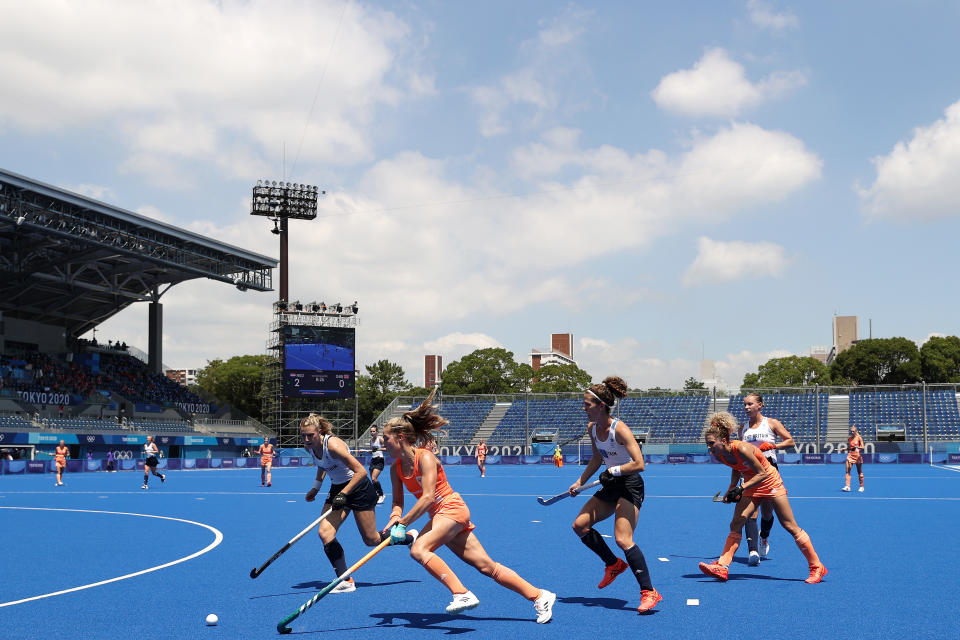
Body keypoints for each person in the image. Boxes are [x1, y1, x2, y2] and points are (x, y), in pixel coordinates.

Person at [381, 390, 556, 623]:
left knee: (419, 550)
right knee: (487, 567)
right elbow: (397, 502)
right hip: (440, 516)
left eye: (385, 439)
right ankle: (539, 595)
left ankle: (461, 593)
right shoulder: (395, 468)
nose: (382, 443)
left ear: (400, 437)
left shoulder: (425, 458)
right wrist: (395, 517)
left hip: (451, 508)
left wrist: (403, 523)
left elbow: (428, 497)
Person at [569, 376, 662, 613]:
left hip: (629, 484)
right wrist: (580, 482)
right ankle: (613, 564)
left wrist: (615, 470)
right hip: (611, 484)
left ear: (601, 406)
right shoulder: (592, 429)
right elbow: (597, 459)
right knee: (580, 526)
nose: (584, 408)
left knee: (623, 539)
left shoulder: (619, 429)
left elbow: (640, 464)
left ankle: (649, 592)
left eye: (587, 404)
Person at [699, 412, 827, 584]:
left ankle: (817, 566)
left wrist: (740, 488)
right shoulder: (720, 455)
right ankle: (722, 566)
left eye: (711, 443)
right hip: (752, 484)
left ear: (723, 441)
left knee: (789, 525)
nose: (709, 448)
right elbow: (736, 468)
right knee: (737, 522)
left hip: (769, 481)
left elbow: (762, 473)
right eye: (707, 444)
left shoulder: (741, 448)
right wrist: (731, 490)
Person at [300, 414, 416, 594]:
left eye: (310, 435)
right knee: (325, 532)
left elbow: (361, 471)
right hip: (338, 489)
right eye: (303, 436)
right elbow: (322, 465)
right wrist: (316, 488)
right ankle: (345, 579)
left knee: (371, 540)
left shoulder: (333, 445)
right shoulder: (310, 447)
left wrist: (344, 494)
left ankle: (409, 538)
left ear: (319, 432)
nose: (306, 439)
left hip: (359, 488)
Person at [738, 393, 795, 564]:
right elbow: (741, 451)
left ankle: (764, 536)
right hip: (750, 473)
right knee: (750, 512)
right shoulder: (743, 428)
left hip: (769, 471)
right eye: (745, 405)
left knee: (768, 512)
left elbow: (790, 441)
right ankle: (753, 551)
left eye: (750, 404)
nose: (746, 407)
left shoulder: (771, 423)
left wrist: (774, 445)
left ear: (760, 405)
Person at [843, 425, 865, 492]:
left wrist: (858, 447)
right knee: (847, 471)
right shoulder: (849, 439)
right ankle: (847, 486)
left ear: (856, 431)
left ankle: (861, 486)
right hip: (850, 455)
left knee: (859, 471)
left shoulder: (859, 438)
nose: (852, 432)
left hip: (857, 456)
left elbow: (863, 447)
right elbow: (850, 448)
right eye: (851, 431)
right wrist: (845, 449)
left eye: (853, 431)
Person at [368, 426, 386, 504]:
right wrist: (370, 451)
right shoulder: (371, 441)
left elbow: (387, 448)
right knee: (372, 480)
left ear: (377, 432)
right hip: (373, 460)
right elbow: (372, 451)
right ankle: (376, 494)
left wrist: (377, 449)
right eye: (371, 431)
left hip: (379, 460)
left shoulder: (380, 439)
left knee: (374, 478)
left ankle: (381, 495)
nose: (372, 433)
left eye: (374, 431)